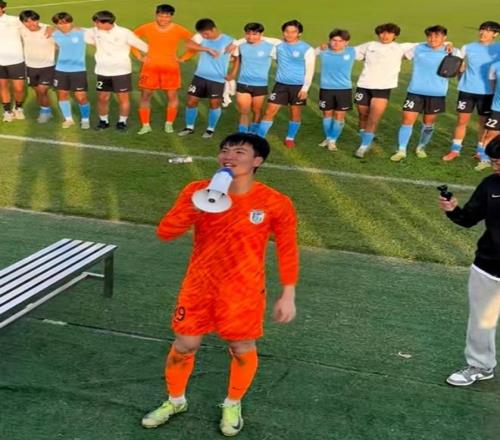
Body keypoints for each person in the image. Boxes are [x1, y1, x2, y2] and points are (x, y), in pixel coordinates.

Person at [142, 132, 299, 437]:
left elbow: (287, 248)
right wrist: (195, 207)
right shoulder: (195, 191)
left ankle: (232, 403)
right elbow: (165, 232)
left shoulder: (275, 202)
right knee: (184, 346)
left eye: (239, 152)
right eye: (225, 151)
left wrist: (288, 293)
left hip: (243, 290)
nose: (228, 157)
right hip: (199, 285)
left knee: (241, 347)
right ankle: (175, 400)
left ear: (257, 161)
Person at [439, 135, 500, 387]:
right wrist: (453, 209)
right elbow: (468, 218)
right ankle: (480, 365)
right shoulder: (490, 185)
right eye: (493, 161)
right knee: (481, 321)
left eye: (499, 161)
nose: (495, 165)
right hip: (488, 266)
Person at [390, 25, 459, 162]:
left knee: (428, 123)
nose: (432, 39)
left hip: (437, 93)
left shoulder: (453, 51)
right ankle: (401, 150)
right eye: (430, 36)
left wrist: (449, 44)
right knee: (407, 120)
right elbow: (401, 54)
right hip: (415, 91)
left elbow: (459, 66)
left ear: (444, 37)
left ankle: (421, 147)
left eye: (437, 36)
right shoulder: (418, 48)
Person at [133, 4, 203, 135]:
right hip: (150, 67)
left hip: (170, 68)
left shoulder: (179, 29)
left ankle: (169, 124)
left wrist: (183, 58)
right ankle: (145, 125)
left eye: (167, 16)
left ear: (171, 17)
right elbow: (131, 40)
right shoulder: (146, 27)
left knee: (172, 96)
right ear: (156, 15)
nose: (163, 19)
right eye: (160, 16)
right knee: (145, 96)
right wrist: (138, 56)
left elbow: (194, 45)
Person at [353, 23, 416, 159]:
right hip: (364, 85)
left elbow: (428, 44)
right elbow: (348, 51)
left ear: (395, 35)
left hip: (382, 88)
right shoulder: (369, 46)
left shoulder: (400, 48)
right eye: (382, 33)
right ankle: (366, 138)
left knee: (373, 118)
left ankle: (363, 146)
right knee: (363, 115)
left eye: (389, 33)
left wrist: (448, 44)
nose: (385, 36)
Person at [442, 21, 500, 164]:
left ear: (495, 34)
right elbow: (457, 60)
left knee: (483, 124)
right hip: (466, 90)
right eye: (482, 29)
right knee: (461, 121)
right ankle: (455, 150)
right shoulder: (468, 47)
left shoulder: (498, 48)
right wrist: (449, 45)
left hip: (487, 92)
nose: (483, 33)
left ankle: (481, 151)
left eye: (488, 31)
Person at [257, 19, 315, 148]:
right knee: (269, 111)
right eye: (287, 31)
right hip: (281, 85)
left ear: (299, 33)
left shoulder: (307, 49)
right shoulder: (278, 45)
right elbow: (259, 37)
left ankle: (290, 138)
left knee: (295, 112)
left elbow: (310, 70)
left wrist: (305, 89)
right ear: (283, 32)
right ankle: (259, 139)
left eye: (293, 32)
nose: (289, 34)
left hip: (298, 86)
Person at [86, 10, 148, 131]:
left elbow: (144, 46)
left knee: (123, 98)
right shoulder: (94, 31)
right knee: (102, 97)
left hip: (121, 71)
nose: (95, 25)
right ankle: (103, 121)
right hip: (103, 71)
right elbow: (77, 31)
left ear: (106, 23)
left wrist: (147, 57)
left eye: (97, 23)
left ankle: (122, 121)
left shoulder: (125, 33)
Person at [177, 18, 237, 139]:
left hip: (217, 79)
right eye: (202, 34)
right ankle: (189, 127)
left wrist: (233, 73)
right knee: (191, 102)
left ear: (214, 29)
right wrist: (207, 48)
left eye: (206, 33)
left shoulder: (229, 41)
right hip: (199, 76)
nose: (205, 36)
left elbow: (237, 58)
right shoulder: (201, 37)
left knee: (214, 104)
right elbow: (189, 44)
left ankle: (210, 129)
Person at [231, 22, 278, 133]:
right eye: (248, 34)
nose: (251, 37)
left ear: (261, 34)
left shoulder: (270, 47)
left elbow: (281, 61)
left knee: (257, 110)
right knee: (244, 111)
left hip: (260, 85)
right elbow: (235, 60)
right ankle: (242, 134)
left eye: (254, 34)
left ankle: (253, 132)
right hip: (243, 83)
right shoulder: (241, 46)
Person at [316, 28, 356, 151]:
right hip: (326, 88)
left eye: (340, 41)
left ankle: (333, 140)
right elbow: (308, 54)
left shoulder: (352, 51)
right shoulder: (323, 51)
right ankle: (328, 138)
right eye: (334, 40)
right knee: (327, 115)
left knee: (339, 115)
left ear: (346, 42)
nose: (336, 43)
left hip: (344, 89)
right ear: (330, 40)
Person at [51, 12, 91, 129]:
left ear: (71, 22)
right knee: (62, 95)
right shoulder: (54, 34)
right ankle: (68, 119)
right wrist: (50, 28)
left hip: (78, 70)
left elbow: (98, 31)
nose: (64, 26)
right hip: (61, 70)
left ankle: (85, 119)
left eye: (66, 23)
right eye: (60, 24)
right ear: (57, 24)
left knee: (81, 97)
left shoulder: (82, 32)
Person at [19, 9, 55, 123]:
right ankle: (46, 110)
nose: (31, 24)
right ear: (23, 23)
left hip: (47, 66)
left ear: (38, 20)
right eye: (27, 21)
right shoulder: (22, 30)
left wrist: (50, 27)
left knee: (42, 90)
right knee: (38, 92)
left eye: (33, 20)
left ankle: (45, 112)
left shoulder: (48, 31)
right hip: (30, 67)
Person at [0, 0, 26, 122]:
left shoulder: (15, 20)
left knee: (19, 88)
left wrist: (49, 29)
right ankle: (7, 111)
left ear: (3, 8)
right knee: (2, 86)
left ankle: (18, 108)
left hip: (16, 60)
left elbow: (36, 25)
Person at [478, 58, 500, 171]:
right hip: (497, 107)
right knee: (490, 135)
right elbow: (493, 86)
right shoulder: (495, 66)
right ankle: (484, 159)